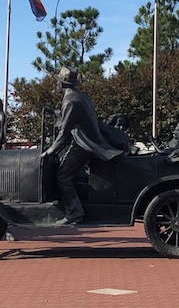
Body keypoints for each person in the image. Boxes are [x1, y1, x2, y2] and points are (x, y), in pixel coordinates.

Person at [42, 66, 123, 224]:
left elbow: (64, 132)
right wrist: (54, 112)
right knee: (73, 174)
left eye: (58, 82)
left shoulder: (71, 101)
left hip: (85, 144)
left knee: (62, 176)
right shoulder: (80, 96)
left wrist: (50, 151)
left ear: (62, 84)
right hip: (85, 141)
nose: (57, 84)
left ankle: (74, 212)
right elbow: (70, 117)